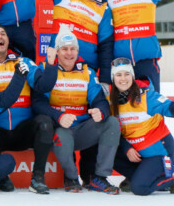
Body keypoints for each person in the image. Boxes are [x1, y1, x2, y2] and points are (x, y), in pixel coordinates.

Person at [0, 24, 58, 193]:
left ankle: (38, 178)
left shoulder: (23, 62)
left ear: (8, 40)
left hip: (23, 130)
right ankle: (1, 177)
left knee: (45, 122)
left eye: (3, 34)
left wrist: (52, 65)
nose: (0, 37)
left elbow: (43, 86)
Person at [32, 26, 121, 194]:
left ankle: (99, 177)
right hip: (59, 129)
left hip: (81, 129)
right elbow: (38, 104)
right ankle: (71, 177)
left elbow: (100, 101)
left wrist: (100, 111)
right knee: (63, 136)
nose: (69, 53)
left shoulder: (87, 72)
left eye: (73, 48)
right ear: (57, 52)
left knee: (112, 123)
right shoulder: (46, 69)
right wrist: (59, 116)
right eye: (64, 49)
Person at [109, 58, 174, 195]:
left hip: (158, 153)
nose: (123, 79)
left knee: (139, 188)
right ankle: (138, 176)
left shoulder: (146, 96)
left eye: (127, 74)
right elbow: (116, 133)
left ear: (132, 76)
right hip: (138, 153)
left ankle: (172, 175)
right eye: (118, 75)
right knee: (109, 153)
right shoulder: (113, 102)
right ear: (113, 78)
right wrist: (127, 149)